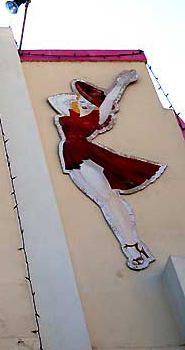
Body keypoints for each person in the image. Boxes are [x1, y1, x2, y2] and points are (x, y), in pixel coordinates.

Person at [48, 70, 166, 270]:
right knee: (107, 199)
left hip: (89, 153)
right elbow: (56, 101)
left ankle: (133, 245)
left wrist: (120, 85)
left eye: (88, 101)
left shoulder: (94, 116)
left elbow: (106, 106)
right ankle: (133, 247)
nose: (82, 102)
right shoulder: (69, 112)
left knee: (110, 199)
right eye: (81, 99)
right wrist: (82, 101)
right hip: (76, 154)